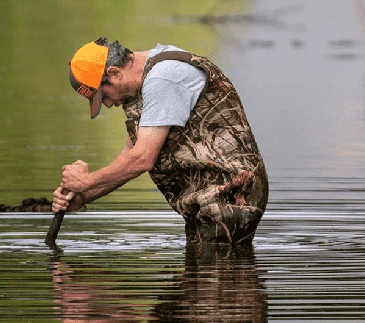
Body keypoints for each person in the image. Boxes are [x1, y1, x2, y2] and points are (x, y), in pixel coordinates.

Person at [52, 38, 268, 246]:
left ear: (114, 73)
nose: (108, 104)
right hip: (211, 197)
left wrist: (85, 181)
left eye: (103, 95)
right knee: (205, 273)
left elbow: (142, 159)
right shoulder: (151, 80)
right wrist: (83, 196)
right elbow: (130, 156)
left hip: (230, 194)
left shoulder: (163, 79)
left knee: (215, 271)